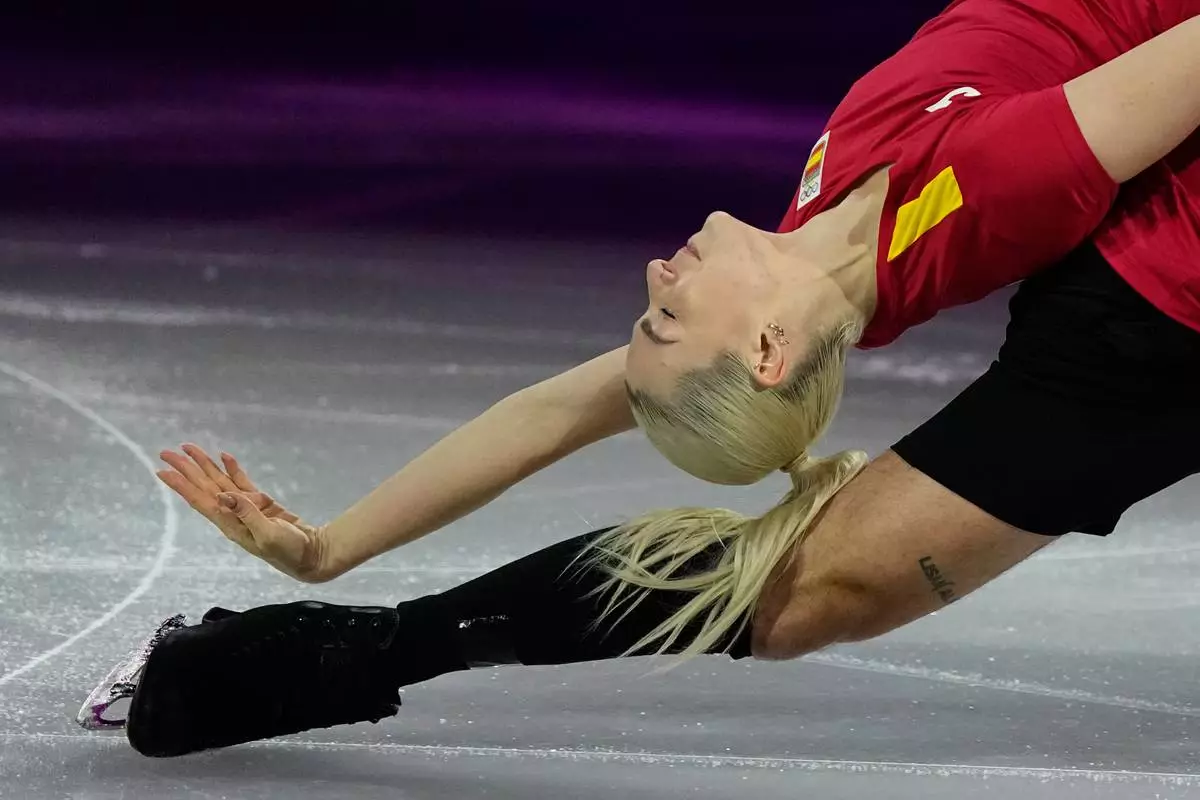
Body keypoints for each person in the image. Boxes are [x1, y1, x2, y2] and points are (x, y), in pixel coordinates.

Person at [87, 0, 1200, 758]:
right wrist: (329, 570)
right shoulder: (994, 184)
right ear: (768, 350)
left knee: (820, 587)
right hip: (1169, 292)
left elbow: (545, 413)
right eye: (663, 313)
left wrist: (328, 545)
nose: (656, 271)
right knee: (817, 586)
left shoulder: (822, 216)